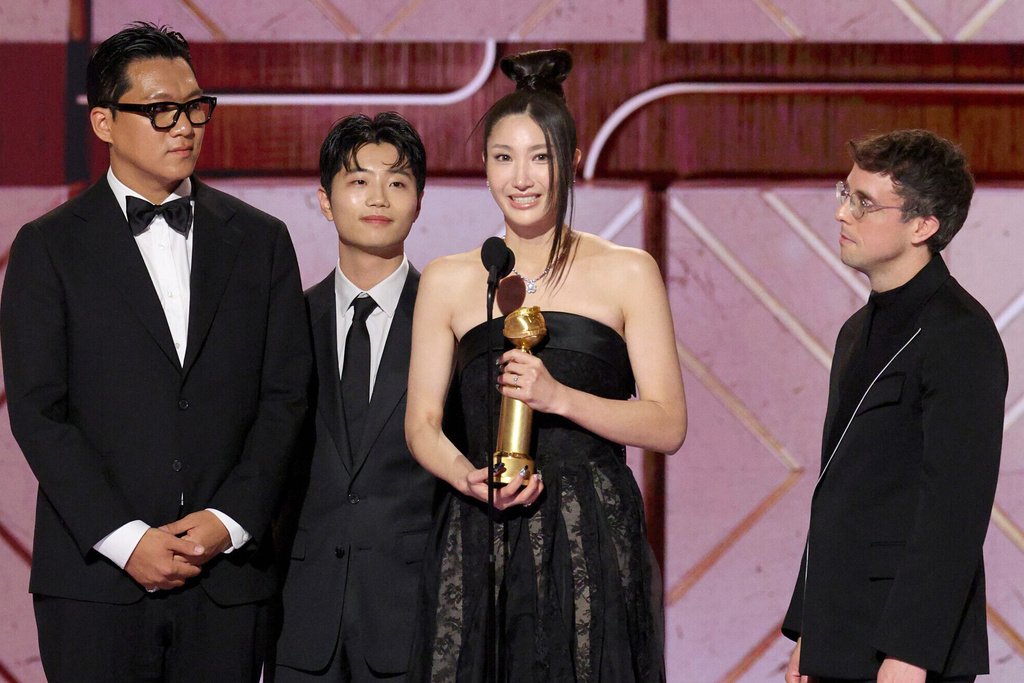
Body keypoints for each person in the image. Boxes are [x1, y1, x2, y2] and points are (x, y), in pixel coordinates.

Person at [0, 22, 311, 682]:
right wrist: (125, 537)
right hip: (95, 586)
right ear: (105, 122)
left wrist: (227, 521)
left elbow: (286, 398)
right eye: (161, 110)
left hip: (226, 581)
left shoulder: (262, 242)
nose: (185, 126)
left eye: (195, 107)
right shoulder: (47, 247)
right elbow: (38, 412)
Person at [404, 49, 687, 682]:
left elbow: (667, 425)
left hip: (591, 534)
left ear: (573, 161)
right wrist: (466, 477)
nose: (522, 177)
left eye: (541, 157)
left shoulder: (626, 271)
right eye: (503, 157)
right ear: (484, 168)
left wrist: (559, 397)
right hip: (479, 527)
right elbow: (421, 422)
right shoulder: (451, 279)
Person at [782, 130, 1007, 683]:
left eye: (863, 202)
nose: (841, 212)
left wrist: (913, 652)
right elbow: (838, 490)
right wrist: (810, 629)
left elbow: (955, 509)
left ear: (922, 226)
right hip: (839, 633)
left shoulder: (961, 333)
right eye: (845, 193)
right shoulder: (856, 331)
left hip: (906, 646)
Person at [272, 112, 438, 682]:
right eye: (358, 180)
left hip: (415, 615)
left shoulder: (451, 324)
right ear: (324, 199)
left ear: (419, 201)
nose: (378, 197)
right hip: (300, 616)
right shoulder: (285, 320)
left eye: (397, 182)